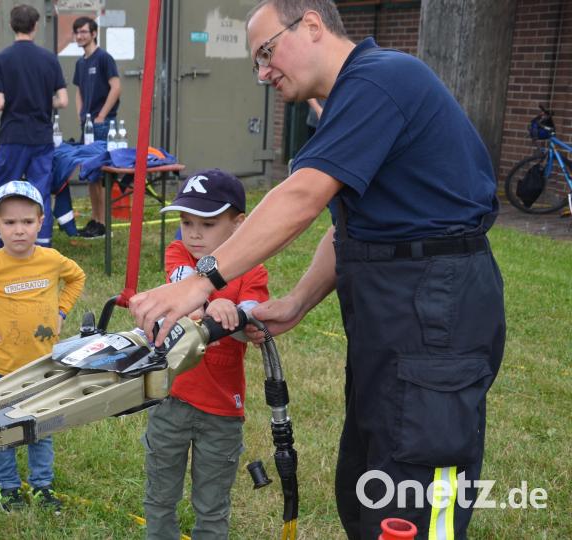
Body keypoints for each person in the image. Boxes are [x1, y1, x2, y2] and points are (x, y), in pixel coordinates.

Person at [129, 1, 505, 538]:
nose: (262, 72)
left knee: (416, 493)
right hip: (394, 317)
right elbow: (348, 224)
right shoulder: (345, 103)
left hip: (435, 312)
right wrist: (298, 301)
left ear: (310, 24)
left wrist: (199, 280)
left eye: (265, 52)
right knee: (372, 475)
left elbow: (303, 195)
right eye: (255, 63)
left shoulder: (381, 81)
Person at [0, 181, 86, 514]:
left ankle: (42, 486)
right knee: (1, 433)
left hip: (46, 368)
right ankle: (7, 488)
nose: (19, 230)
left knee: (41, 429)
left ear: (40, 222)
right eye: (10, 223)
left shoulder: (51, 260)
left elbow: (76, 277)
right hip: (4, 370)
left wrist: (62, 311)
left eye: (27, 222)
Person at [141, 169, 269, 540]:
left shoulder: (252, 269)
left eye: (208, 223)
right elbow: (186, 288)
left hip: (223, 410)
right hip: (172, 398)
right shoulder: (179, 253)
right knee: (160, 492)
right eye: (186, 221)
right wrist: (215, 305)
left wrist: (240, 316)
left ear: (238, 224)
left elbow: (254, 318)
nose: (193, 233)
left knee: (212, 504)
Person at [0, 4, 69, 255]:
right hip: (41, 137)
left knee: (3, 189)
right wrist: (43, 100)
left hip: (12, 135)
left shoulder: (1, 59)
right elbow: (62, 100)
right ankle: (41, 244)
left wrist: (17, 99)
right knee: (40, 190)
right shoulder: (49, 59)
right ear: (36, 26)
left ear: (11, 26)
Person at [71, 16, 121, 239]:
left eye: (84, 32)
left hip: (103, 125)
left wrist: (101, 115)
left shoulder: (104, 58)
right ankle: (95, 220)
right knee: (90, 175)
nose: (80, 36)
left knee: (100, 176)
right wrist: (82, 115)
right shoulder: (80, 62)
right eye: (77, 32)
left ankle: (103, 222)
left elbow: (116, 86)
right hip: (88, 125)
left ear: (93, 33)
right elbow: (78, 91)